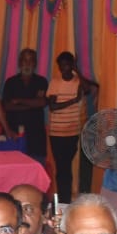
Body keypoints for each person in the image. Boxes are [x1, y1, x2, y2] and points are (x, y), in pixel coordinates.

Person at [45, 52, 98, 203]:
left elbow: (87, 89)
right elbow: (53, 106)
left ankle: (65, 199)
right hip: (56, 133)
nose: (65, 69)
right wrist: (73, 101)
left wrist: (78, 71)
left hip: (72, 132)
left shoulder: (78, 81)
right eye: (62, 66)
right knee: (62, 167)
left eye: (68, 65)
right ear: (59, 67)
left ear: (72, 65)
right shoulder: (55, 82)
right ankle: (64, 200)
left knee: (66, 167)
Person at [1, 49, 51, 162]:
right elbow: (7, 106)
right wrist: (32, 104)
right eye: (24, 60)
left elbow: (42, 103)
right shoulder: (10, 82)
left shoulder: (41, 81)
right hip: (14, 135)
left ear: (35, 64)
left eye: (31, 61)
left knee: (36, 169)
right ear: (19, 63)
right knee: (12, 169)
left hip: (36, 138)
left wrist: (18, 100)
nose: (27, 64)